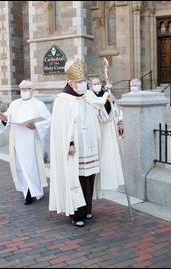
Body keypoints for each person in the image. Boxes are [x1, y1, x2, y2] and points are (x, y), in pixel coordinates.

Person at [49, 58, 114, 227]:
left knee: (89, 178)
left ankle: (88, 209)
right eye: (78, 81)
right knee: (76, 179)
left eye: (83, 80)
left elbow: (101, 115)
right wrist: (68, 143)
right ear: (70, 82)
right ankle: (77, 214)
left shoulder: (89, 96)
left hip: (90, 146)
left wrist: (108, 102)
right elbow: (60, 127)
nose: (82, 84)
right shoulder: (62, 100)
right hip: (75, 148)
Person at [0, 79, 52, 205]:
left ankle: (32, 192)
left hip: (32, 141)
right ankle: (26, 191)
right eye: (22, 89)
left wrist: (36, 125)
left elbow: (49, 119)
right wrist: (4, 118)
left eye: (27, 89)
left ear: (32, 90)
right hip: (17, 140)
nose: (24, 91)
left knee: (31, 166)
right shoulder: (15, 103)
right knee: (20, 167)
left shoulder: (39, 104)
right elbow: (8, 116)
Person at [90, 77, 124, 195]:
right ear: (91, 85)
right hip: (97, 128)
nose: (96, 85)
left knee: (107, 154)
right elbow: (99, 116)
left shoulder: (107, 95)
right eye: (94, 83)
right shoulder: (90, 97)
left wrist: (112, 102)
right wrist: (109, 105)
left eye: (98, 83)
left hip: (107, 130)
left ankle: (107, 182)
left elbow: (113, 114)